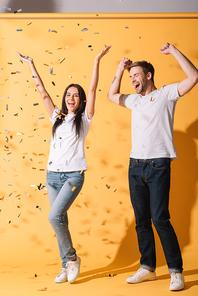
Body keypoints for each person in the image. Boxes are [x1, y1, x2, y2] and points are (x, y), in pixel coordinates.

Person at [15, 45, 111, 284]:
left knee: (54, 217)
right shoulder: (57, 117)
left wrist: (97, 60)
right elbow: (43, 93)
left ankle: (72, 258)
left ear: (81, 100)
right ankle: (65, 266)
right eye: (68, 95)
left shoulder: (85, 119)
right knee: (61, 221)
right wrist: (31, 64)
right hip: (52, 176)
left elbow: (92, 87)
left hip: (73, 176)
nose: (71, 98)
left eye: (76, 95)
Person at [108, 43, 198, 291]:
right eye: (130, 77)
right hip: (135, 165)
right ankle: (147, 268)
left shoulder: (167, 94)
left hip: (158, 164)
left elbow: (194, 77)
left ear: (149, 76)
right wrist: (119, 68)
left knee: (160, 218)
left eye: (136, 75)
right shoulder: (134, 101)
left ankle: (175, 271)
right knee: (141, 220)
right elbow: (111, 95)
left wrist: (174, 51)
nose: (132, 79)